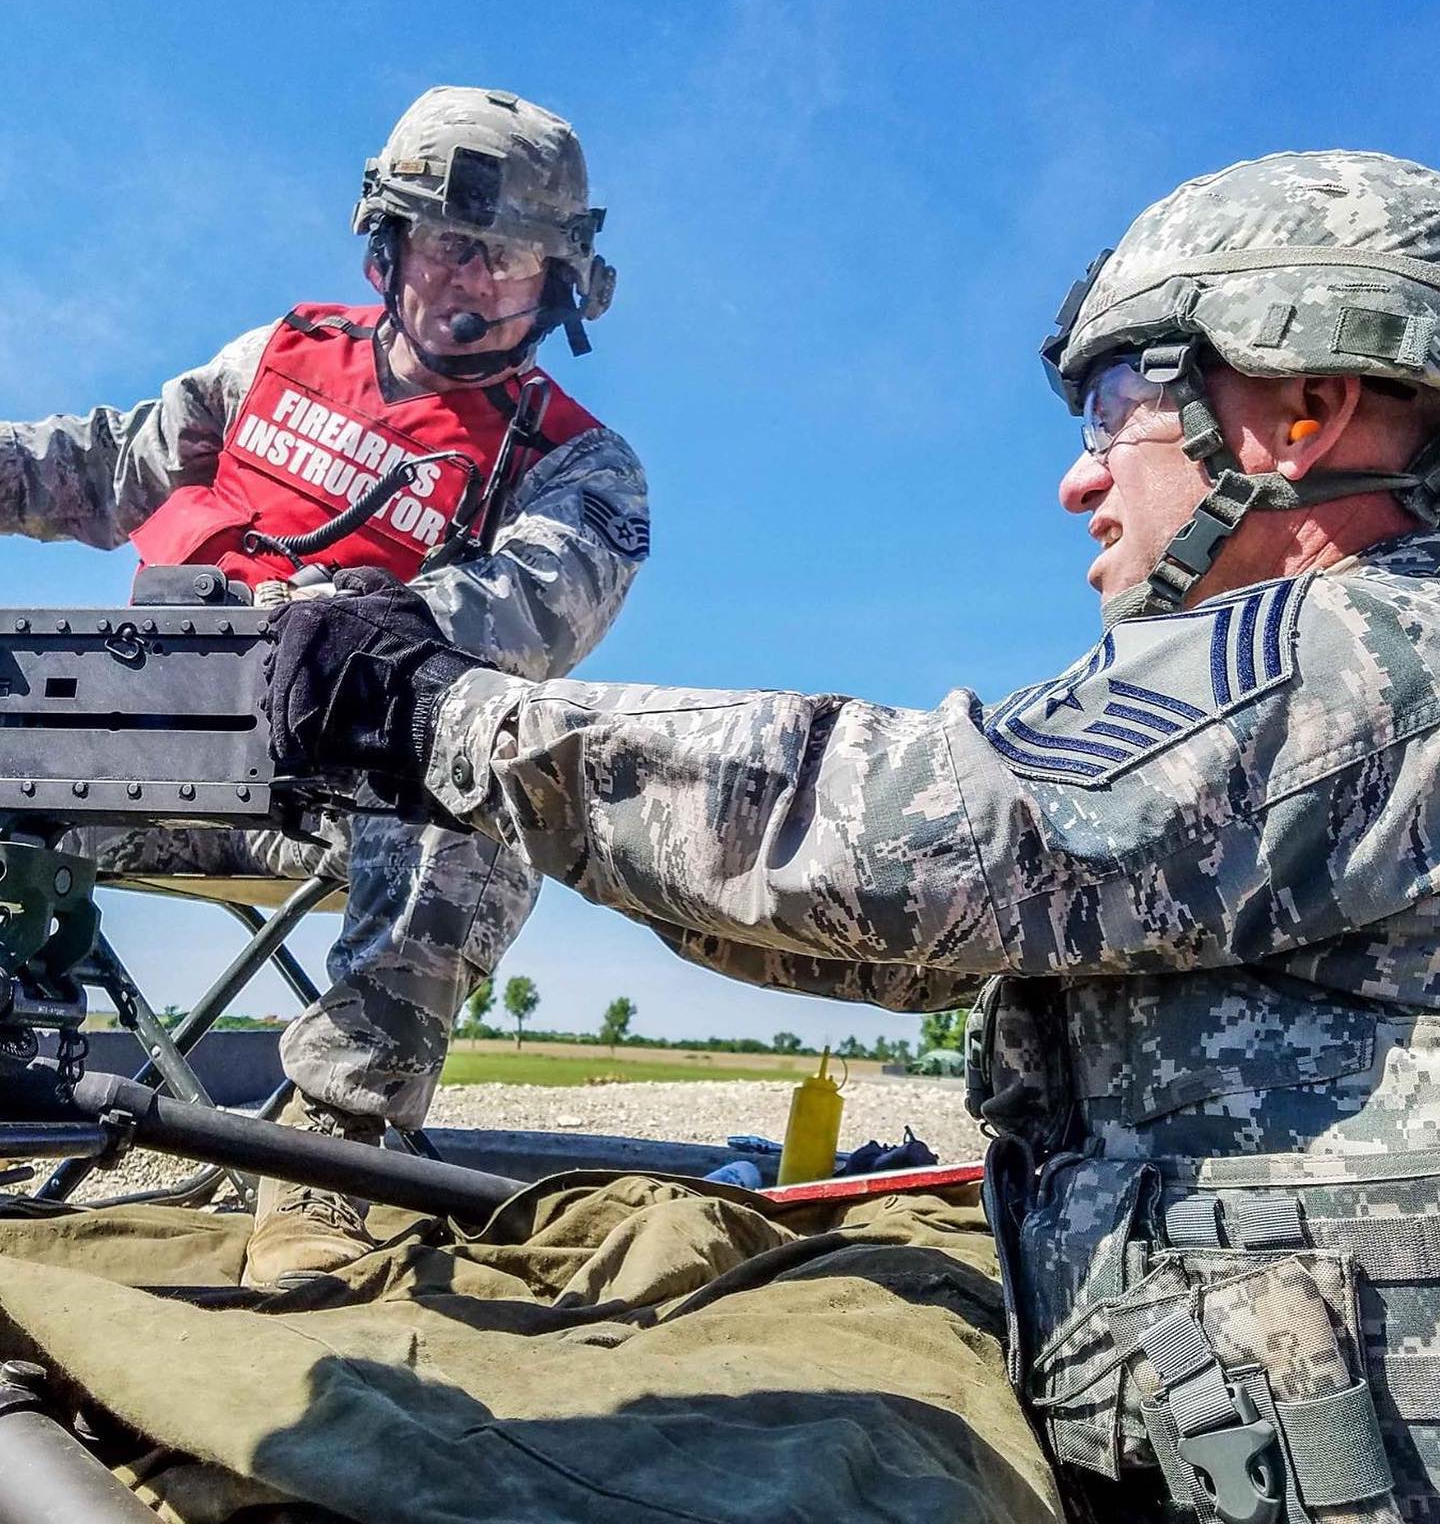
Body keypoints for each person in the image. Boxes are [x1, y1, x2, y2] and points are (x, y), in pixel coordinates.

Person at [268, 149, 1440, 1520]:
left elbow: (921, 841)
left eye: (1119, 407)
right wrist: (496, 775)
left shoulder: (1372, 654)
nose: (1080, 484)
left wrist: (441, 722)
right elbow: (902, 952)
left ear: (1303, 410)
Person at [0, 86, 649, 1288]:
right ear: (386, 241)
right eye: (450, 245)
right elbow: (100, 466)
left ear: (561, 287)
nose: (471, 284)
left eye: (510, 263)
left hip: (339, 799)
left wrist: (352, 627)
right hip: (145, 759)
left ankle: (325, 1164)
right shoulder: (272, 364)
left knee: (472, 805)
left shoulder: (574, 462)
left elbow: (538, 609)